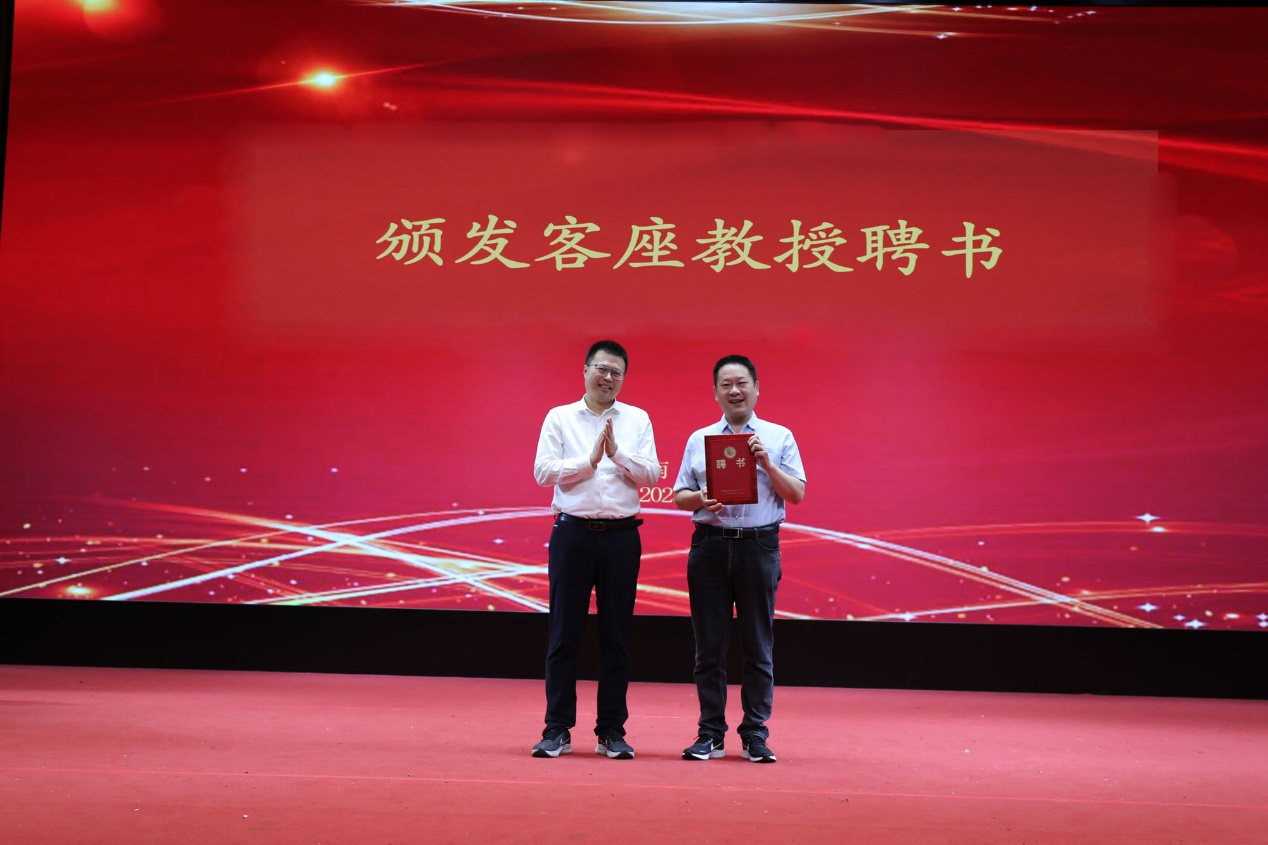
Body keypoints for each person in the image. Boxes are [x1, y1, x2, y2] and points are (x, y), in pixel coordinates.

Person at [672, 354, 806, 764]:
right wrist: (702, 497)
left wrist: (767, 464)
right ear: (715, 392)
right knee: (708, 647)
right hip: (710, 546)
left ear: (756, 388)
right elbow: (680, 497)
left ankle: (755, 734)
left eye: (742, 383)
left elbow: (797, 494)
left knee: (758, 645)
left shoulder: (779, 437)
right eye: (726, 384)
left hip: (758, 547)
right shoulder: (699, 439)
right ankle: (710, 733)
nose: (735, 391)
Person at [530, 340, 660, 760]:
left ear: (623, 378)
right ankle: (557, 728)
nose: (608, 377)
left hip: (621, 537)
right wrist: (588, 460)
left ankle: (611, 731)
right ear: (585, 370)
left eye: (616, 372)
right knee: (564, 633)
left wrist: (616, 454)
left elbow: (652, 474)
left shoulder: (637, 418)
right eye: (601, 369)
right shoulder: (560, 417)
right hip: (573, 535)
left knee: (616, 636)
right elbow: (542, 472)